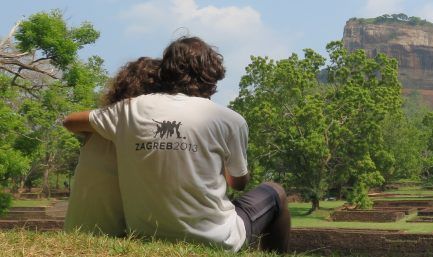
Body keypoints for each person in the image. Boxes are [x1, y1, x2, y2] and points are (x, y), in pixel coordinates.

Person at [63, 37, 290, 252]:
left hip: (146, 235)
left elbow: (71, 122)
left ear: (165, 71)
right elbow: (238, 183)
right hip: (218, 239)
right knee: (276, 192)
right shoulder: (230, 120)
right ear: (212, 78)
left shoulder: (129, 109)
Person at [64, 57, 161, 236]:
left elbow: (69, 122)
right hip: (111, 234)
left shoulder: (97, 126)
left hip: (78, 231)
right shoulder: (139, 127)